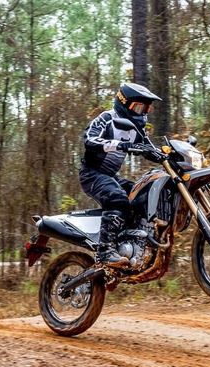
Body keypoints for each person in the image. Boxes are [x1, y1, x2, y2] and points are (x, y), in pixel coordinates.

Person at [80, 83, 162, 267]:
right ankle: (105, 251)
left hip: (110, 175)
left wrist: (169, 155)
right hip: (92, 173)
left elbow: (149, 150)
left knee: (142, 194)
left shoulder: (138, 128)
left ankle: (130, 243)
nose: (142, 112)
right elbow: (89, 140)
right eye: (138, 107)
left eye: (145, 108)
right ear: (124, 103)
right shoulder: (107, 118)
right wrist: (118, 144)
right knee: (117, 198)